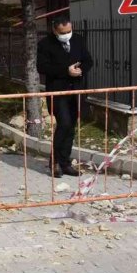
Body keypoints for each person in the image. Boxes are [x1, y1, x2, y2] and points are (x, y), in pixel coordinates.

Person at [37, 17, 94, 177]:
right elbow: (42, 67)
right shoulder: (45, 44)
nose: (66, 35)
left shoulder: (78, 40)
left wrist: (80, 69)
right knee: (64, 123)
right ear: (55, 30)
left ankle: (65, 162)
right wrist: (65, 71)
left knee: (71, 127)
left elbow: (88, 60)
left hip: (76, 90)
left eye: (69, 31)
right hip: (58, 91)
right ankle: (54, 161)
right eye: (63, 33)